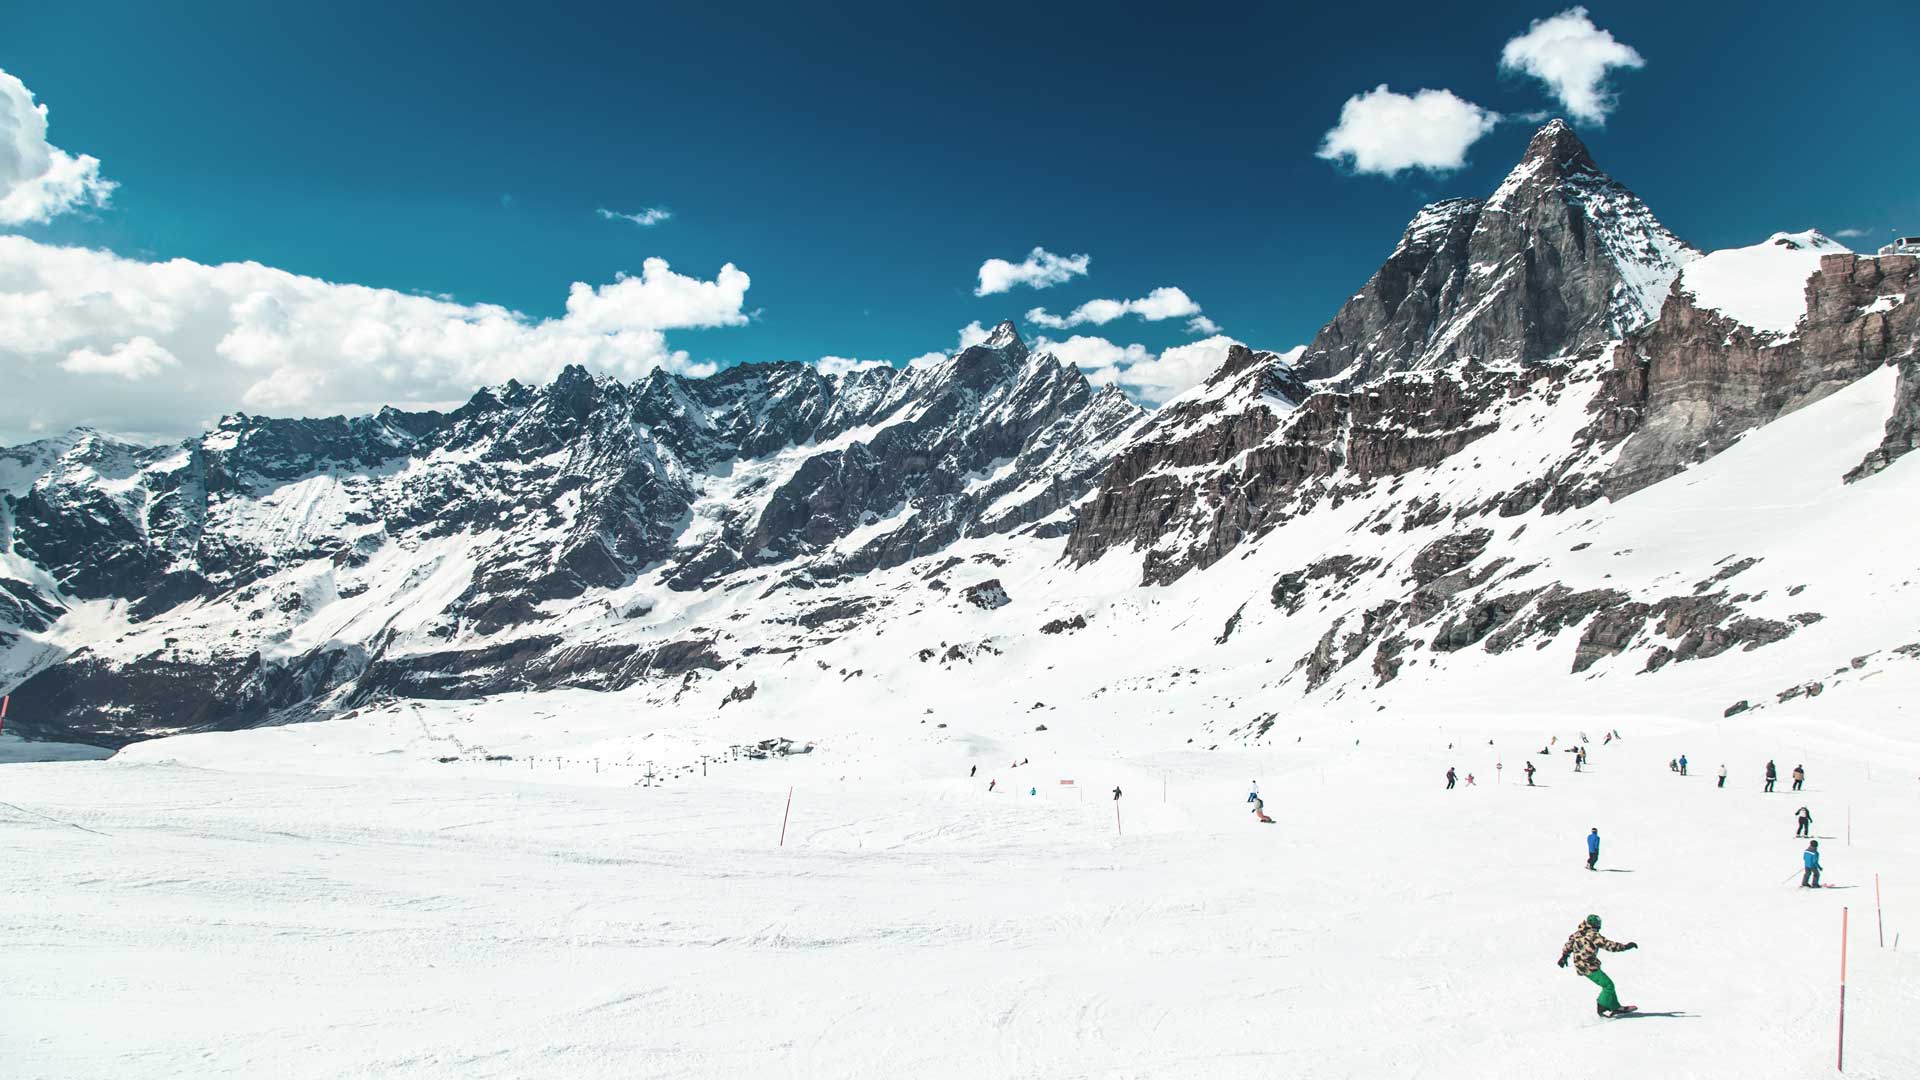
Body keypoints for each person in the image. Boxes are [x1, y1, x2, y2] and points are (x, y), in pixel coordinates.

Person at [1557, 914, 1638, 1017]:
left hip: (1582, 965)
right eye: (1598, 924)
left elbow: (1568, 945)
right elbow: (1608, 945)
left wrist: (1564, 956)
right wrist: (1625, 947)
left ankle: (1615, 1006)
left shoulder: (1577, 933)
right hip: (1588, 966)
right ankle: (1602, 1005)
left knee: (1608, 985)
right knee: (1608, 985)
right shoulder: (1593, 935)